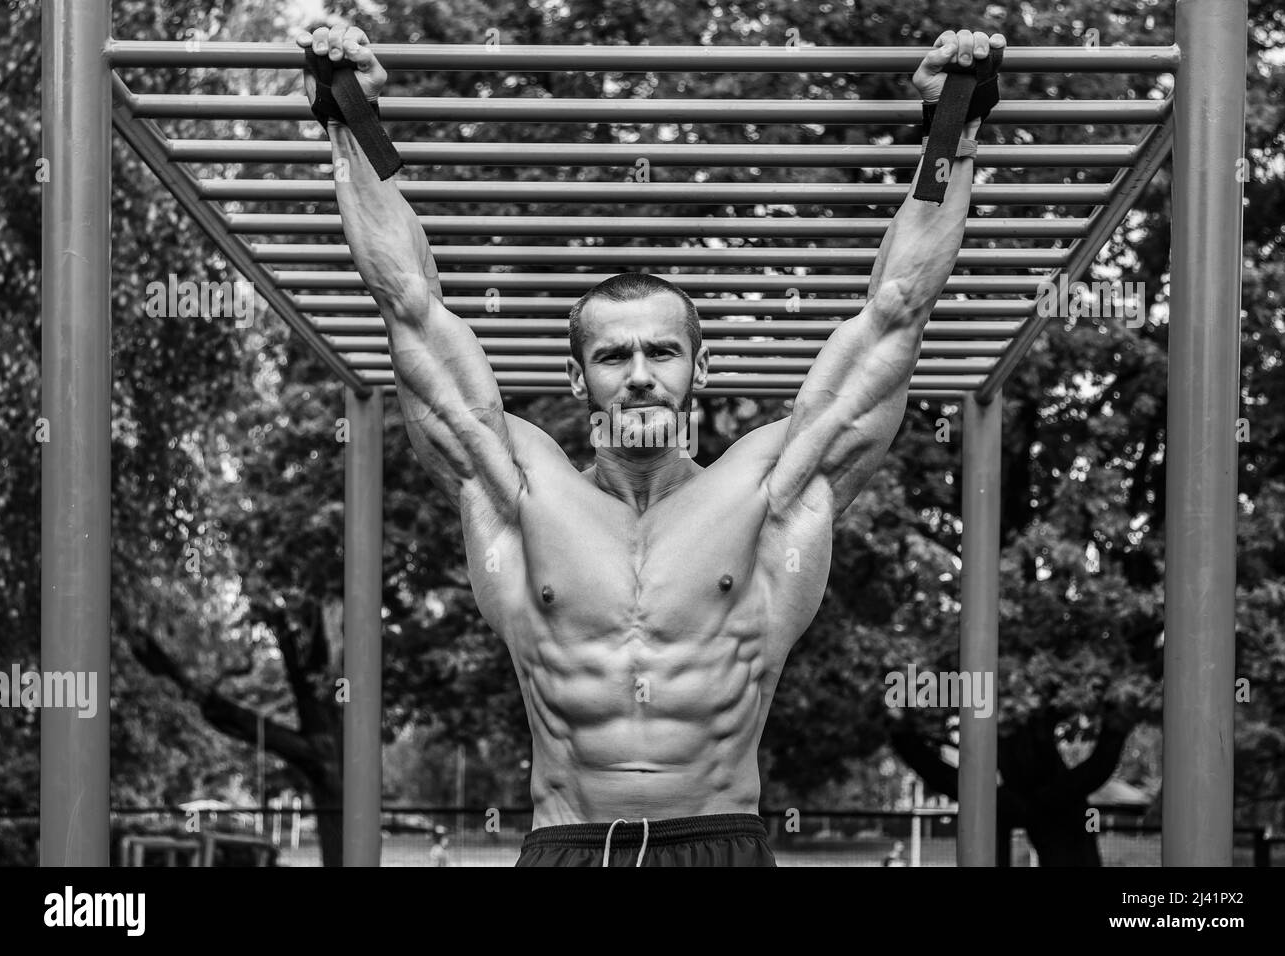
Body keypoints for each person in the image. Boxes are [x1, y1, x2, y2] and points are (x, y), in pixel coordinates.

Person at [299, 21, 1007, 867]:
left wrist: (954, 126)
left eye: (661, 351)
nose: (639, 374)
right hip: (565, 842)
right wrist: (349, 112)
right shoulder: (518, 486)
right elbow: (408, 303)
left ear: (698, 367)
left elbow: (896, 311)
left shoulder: (771, 490)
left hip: (719, 841)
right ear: (577, 379)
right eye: (612, 355)